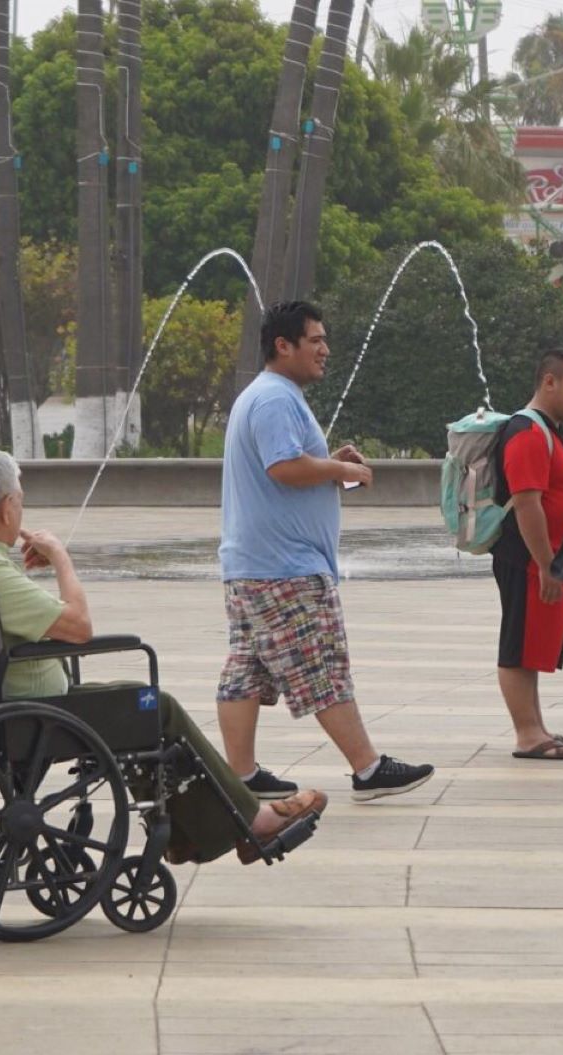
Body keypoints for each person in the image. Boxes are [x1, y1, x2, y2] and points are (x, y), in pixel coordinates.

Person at [0, 449, 326, 863]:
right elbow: (78, 627)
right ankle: (251, 822)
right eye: (20, 499)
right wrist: (60, 557)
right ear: (6, 508)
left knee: (128, 706)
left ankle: (192, 831)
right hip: (29, 714)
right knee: (154, 707)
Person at [216, 300, 435, 803]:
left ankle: (241, 776)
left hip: (254, 564)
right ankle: (368, 769)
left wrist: (329, 462)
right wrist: (341, 471)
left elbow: (290, 465)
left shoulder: (267, 394)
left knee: (247, 669)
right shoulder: (274, 398)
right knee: (322, 665)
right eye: (315, 340)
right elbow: (283, 468)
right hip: (284, 568)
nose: (325, 350)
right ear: (283, 345)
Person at [491, 347, 563, 760]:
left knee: (532, 644)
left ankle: (537, 728)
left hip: (545, 560)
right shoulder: (527, 432)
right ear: (549, 381)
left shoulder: (548, 429)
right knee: (518, 645)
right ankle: (527, 735)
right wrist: (547, 564)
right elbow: (527, 501)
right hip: (528, 559)